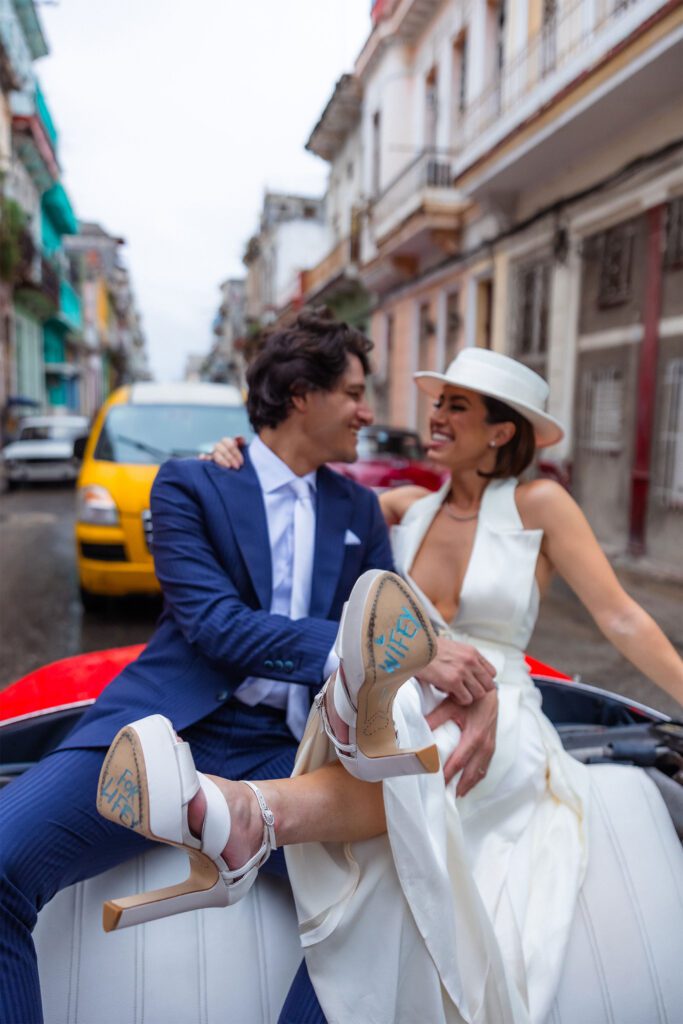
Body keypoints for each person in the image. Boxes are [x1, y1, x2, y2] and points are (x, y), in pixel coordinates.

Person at [0, 310, 498, 1024]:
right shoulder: (190, 485)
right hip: (164, 725)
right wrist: (354, 644)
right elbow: (213, 624)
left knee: (402, 896)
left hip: (291, 756)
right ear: (301, 394)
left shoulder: (358, 506)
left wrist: (480, 690)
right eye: (354, 392)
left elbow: (403, 623)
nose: (367, 411)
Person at [205, 346, 683, 1024]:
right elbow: (288, 485)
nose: (434, 417)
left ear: (500, 430)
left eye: (455, 406)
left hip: (499, 706)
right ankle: (255, 811)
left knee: (407, 792)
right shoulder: (406, 507)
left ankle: (249, 811)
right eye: (436, 402)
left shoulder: (539, 503)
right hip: (406, 696)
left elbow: (619, 616)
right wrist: (231, 453)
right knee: (385, 744)